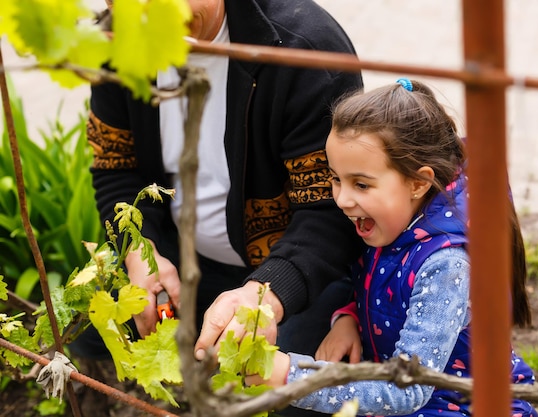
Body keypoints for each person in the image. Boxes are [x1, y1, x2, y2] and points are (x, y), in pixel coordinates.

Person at [73, 0, 364, 406]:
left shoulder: (304, 51)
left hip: (293, 268)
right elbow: (116, 168)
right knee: (87, 326)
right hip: (181, 256)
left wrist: (264, 294)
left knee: (297, 387)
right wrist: (142, 252)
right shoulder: (114, 43)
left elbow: (328, 211)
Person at [249, 79, 538, 417]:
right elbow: (376, 285)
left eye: (360, 184)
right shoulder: (390, 221)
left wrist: (290, 377)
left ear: (418, 182)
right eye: (336, 178)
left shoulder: (446, 266)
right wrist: (349, 317)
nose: (341, 199)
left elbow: (408, 389)